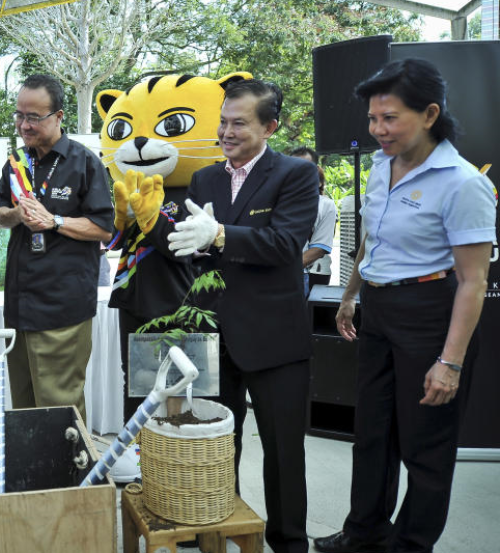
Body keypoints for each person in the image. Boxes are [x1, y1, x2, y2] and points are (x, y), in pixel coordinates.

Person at [314, 59, 496, 553]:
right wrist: (351, 295)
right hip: (378, 309)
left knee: (426, 443)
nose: (378, 130)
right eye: (373, 119)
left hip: (430, 313)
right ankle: (364, 532)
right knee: (372, 434)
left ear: (430, 114)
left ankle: (411, 544)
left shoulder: (463, 183)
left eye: (390, 118)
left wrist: (450, 362)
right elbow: (371, 240)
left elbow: (473, 280)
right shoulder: (381, 165)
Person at [167, 79, 319, 553]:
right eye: (223, 122)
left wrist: (217, 235)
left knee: (283, 450)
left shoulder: (295, 174)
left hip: (274, 338)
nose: (226, 132)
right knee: (213, 443)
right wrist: (190, 244)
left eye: (239, 123)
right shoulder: (205, 179)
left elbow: (284, 245)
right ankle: (214, 525)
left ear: (269, 127)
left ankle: (288, 541)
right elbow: (199, 254)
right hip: (216, 334)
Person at [0, 74, 113, 423]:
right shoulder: (16, 162)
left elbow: (103, 228)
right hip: (19, 305)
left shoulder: (84, 162)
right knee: (24, 406)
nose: (24, 125)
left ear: (59, 116)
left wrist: (55, 221)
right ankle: (32, 460)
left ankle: (71, 460)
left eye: (34, 117)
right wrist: (16, 214)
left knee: (59, 408)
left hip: (62, 308)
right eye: (19, 115)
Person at [289, 148, 337, 292]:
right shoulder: (277, 200)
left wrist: (283, 272)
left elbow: (319, 249)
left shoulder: (325, 205)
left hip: (306, 274)